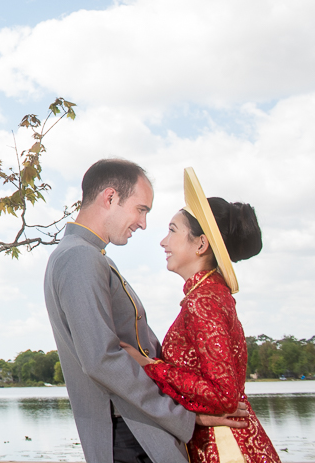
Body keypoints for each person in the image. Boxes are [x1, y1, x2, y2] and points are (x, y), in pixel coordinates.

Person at [45, 159, 243, 463]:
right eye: (141, 209)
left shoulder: (88, 255)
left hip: (137, 433)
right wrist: (185, 418)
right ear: (110, 198)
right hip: (132, 435)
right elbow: (102, 361)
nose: (143, 223)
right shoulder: (80, 259)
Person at [121, 168, 281, 463]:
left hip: (225, 446)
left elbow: (223, 394)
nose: (163, 242)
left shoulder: (204, 300)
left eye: (172, 230)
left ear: (201, 244)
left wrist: (149, 366)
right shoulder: (210, 293)